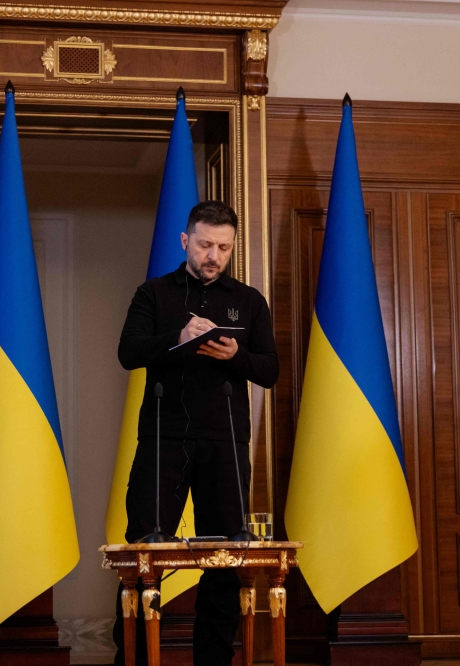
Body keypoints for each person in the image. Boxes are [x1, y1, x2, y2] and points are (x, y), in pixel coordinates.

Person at [113, 200, 279, 665]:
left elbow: (270, 370)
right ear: (186, 241)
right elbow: (128, 353)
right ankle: (131, 660)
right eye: (206, 244)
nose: (214, 255)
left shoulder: (249, 301)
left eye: (224, 248)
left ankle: (214, 661)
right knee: (142, 558)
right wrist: (181, 338)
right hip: (162, 441)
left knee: (225, 559)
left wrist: (235, 357)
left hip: (225, 443)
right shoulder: (153, 294)